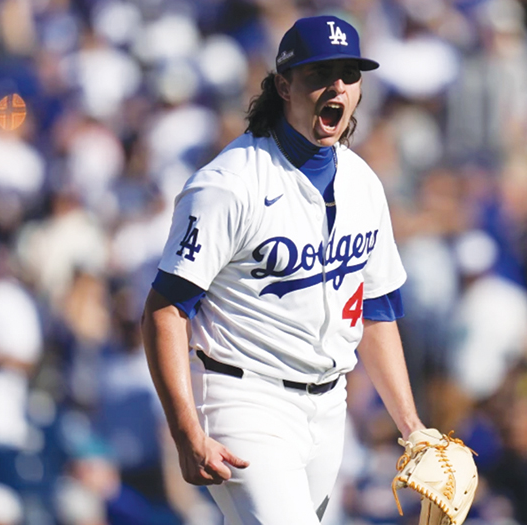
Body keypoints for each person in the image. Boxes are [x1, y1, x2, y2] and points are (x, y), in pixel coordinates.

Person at [140, 15, 426, 524]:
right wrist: (184, 429)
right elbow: (165, 310)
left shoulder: (363, 183)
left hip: (328, 405)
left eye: (350, 73)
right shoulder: (229, 184)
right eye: (321, 72)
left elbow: (377, 310)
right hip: (242, 396)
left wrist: (412, 427)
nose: (337, 85)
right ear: (283, 84)